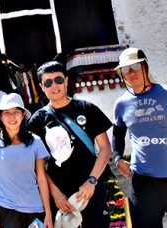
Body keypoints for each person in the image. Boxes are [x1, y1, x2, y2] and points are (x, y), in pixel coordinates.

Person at [111, 47, 167, 228]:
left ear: (145, 66)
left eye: (135, 66)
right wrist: (117, 159)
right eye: (125, 69)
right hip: (143, 182)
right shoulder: (121, 104)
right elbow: (117, 135)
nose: (130, 73)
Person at [27, 61, 113, 227]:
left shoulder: (87, 109)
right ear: (41, 86)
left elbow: (105, 148)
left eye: (58, 80)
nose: (54, 86)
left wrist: (92, 181)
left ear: (66, 81)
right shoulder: (37, 121)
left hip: (90, 190)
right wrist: (56, 194)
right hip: (60, 196)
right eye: (48, 82)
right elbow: (38, 165)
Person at [0, 93, 53, 228]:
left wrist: (48, 213)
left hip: (35, 210)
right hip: (6, 211)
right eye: (7, 113)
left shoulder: (35, 142)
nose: (12, 117)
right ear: (0, 117)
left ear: (23, 115)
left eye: (16, 112)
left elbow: (41, 178)